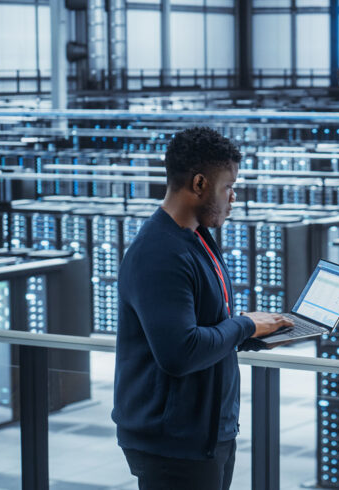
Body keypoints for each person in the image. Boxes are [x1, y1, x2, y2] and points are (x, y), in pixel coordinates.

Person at [112, 126, 293, 490]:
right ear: (199, 184)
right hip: (173, 444)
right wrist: (244, 326)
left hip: (207, 434)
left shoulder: (196, 240)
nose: (233, 197)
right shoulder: (159, 253)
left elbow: (207, 325)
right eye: (228, 187)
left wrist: (258, 332)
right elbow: (180, 352)